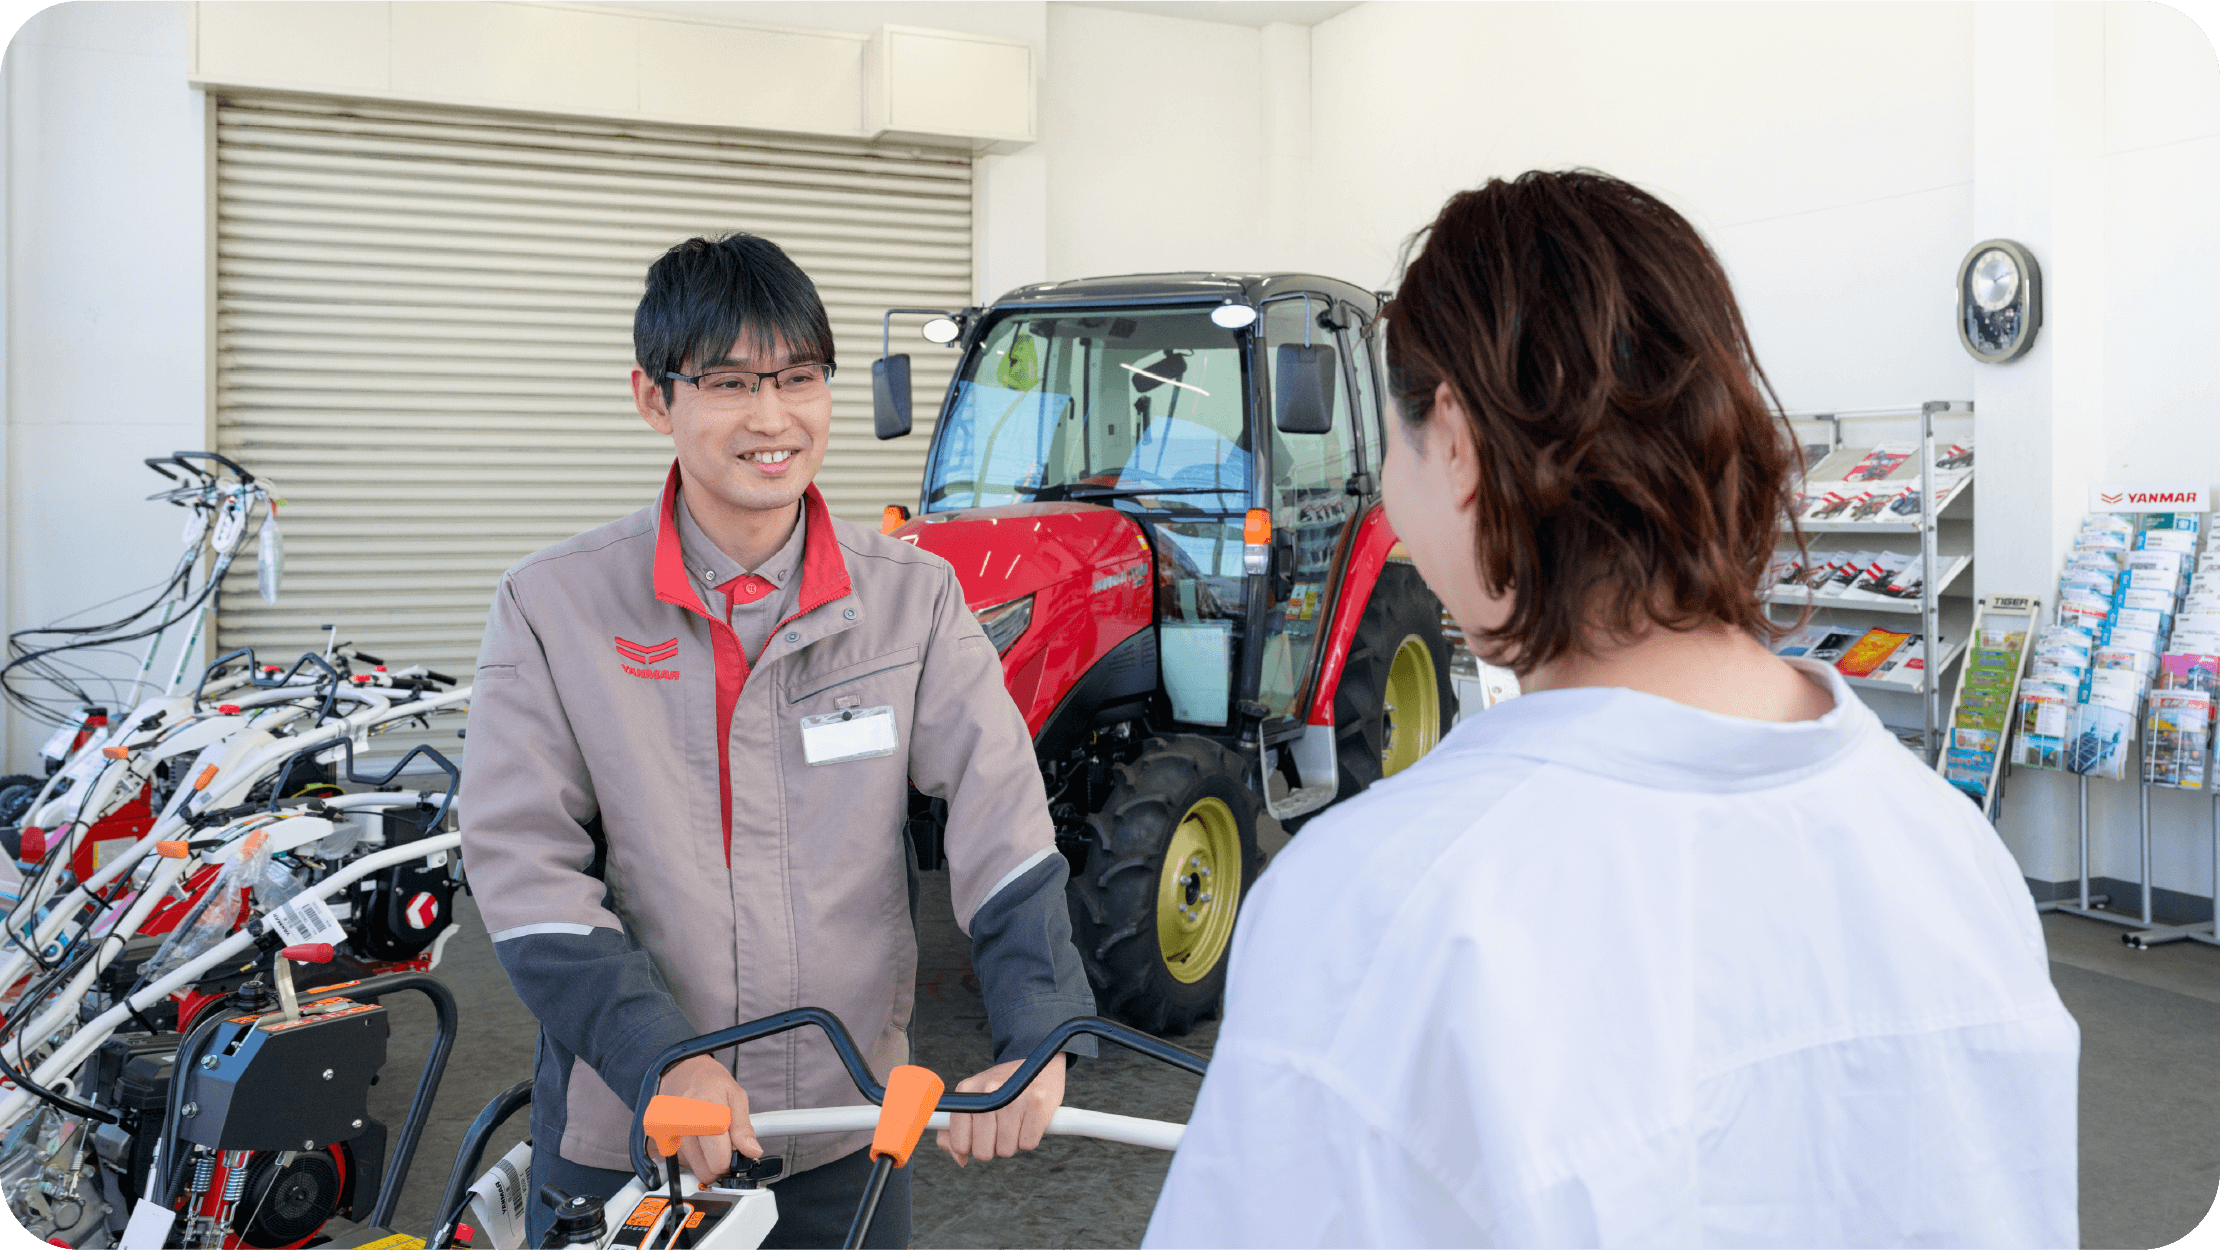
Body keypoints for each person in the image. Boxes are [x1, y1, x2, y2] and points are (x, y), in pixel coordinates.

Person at [1145, 171, 2078, 1248]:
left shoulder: (1370, 909)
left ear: (1453, 442)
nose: (1392, 514)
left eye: (1391, 448)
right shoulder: (1956, 858)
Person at [461, 233, 1096, 1249]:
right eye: (727, 382)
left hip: (846, 1133)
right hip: (633, 1134)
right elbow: (524, 871)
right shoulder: (553, 608)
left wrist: (1041, 1023)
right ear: (652, 398)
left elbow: (1001, 816)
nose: (772, 417)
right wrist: (661, 1056)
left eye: (799, 377)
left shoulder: (914, 600)